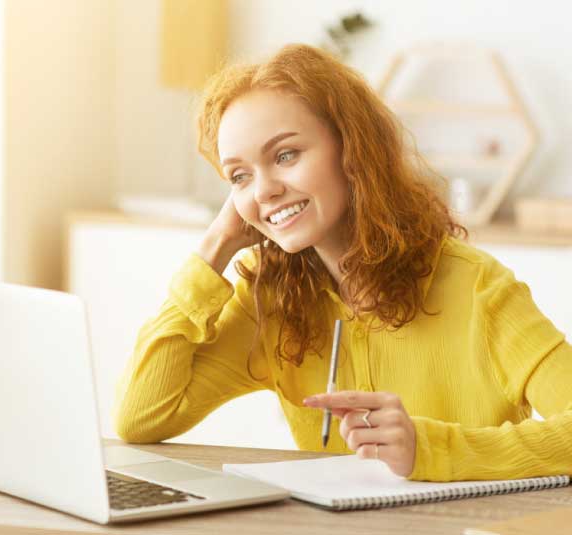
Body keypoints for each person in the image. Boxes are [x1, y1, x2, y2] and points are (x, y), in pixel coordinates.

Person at [112, 43, 572, 481]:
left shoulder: (478, 288)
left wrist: (430, 448)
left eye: (285, 155)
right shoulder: (270, 299)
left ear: (353, 149)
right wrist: (215, 246)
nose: (263, 190)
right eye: (239, 176)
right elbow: (141, 417)